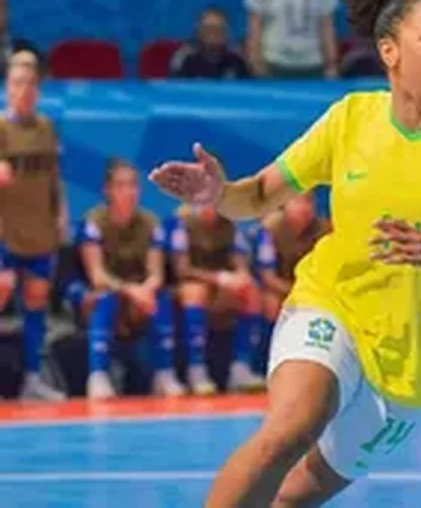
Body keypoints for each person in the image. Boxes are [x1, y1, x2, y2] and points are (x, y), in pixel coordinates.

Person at [148, 0, 421, 508]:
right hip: (333, 305)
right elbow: (256, 196)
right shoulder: (349, 119)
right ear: (390, 52)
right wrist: (219, 194)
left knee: (291, 498)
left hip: (413, 369)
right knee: (290, 428)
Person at [74, 159, 185, 399]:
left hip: (138, 298)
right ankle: (98, 376)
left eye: (133, 185)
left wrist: (145, 289)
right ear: (108, 190)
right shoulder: (93, 222)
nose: (128, 192)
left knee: (161, 298)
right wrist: (131, 290)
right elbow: (97, 276)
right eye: (121, 186)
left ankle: (164, 375)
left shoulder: (150, 223)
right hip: (100, 295)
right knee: (104, 298)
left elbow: (156, 274)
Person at [0, 55, 67, 400]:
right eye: (17, 83)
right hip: (4, 232)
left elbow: (55, 178)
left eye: (30, 83)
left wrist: (61, 215)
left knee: (36, 299)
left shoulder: (46, 129)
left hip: (39, 230)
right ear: (7, 89)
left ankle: (32, 379)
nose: (24, 90)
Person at [169, 203, 266, 395]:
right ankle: (196, 370)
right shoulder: (182, 223)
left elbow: (240, 264)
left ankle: (241, 369)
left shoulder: (230, 225)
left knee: (251, 290)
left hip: (220, 287)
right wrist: (218, 278)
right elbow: (182, 270)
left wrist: (241, 277)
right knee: (195, 292)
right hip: (188, 285)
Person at [255, 192, 330, 323]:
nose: (304, 207)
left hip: (311, 289)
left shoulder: (323, 231)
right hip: (280, 287)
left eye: (308, 201)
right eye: (297, 201)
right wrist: (293, 292)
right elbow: (267, 276)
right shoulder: (269, 230)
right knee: (271, 303)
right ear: (284, 204)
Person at [170, 8, 251, 80]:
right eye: (208, 29)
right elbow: (176, 90)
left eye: (218, 29)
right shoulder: (185, 58)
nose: (212, 34)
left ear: (226, 33)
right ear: (198, 31)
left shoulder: (237, 59)